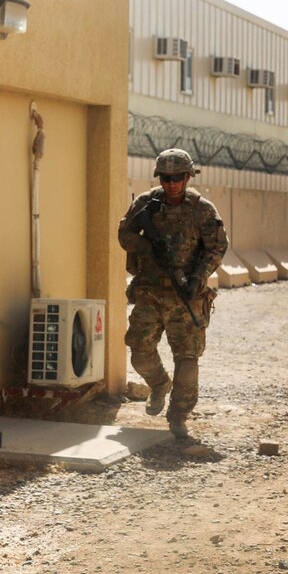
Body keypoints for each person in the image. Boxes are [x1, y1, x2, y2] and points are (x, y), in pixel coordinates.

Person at [118, 148, 228, 441]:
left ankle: (178, 416)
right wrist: (148, 246)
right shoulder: (146, 203)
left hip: (186, 296)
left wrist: (198, 277)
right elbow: (124, 235)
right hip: (150, 293)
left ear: (188, 177)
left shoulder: (202, 209)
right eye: (166, 178)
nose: (171, 183)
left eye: (177, 177)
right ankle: (159, 384)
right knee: (139, 352)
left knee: (188, 360)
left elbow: (217, 247)